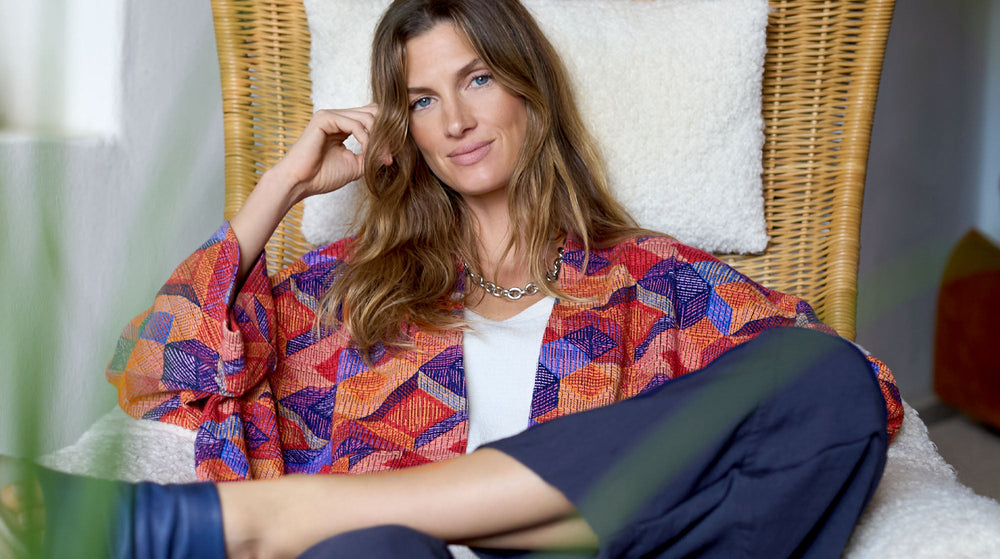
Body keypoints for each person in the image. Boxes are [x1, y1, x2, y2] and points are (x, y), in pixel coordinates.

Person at [2, 0, 903, 557]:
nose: (458, 120)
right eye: (424, 99)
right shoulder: (349, 291)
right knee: (372, 549)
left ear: (529, 91)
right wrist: (279, 188)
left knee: (825, 381)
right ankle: (307, 521)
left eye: (477, 79)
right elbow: (154, 374)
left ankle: (263, 519)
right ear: (406, 129)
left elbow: (854, 400)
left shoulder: (656, 282)